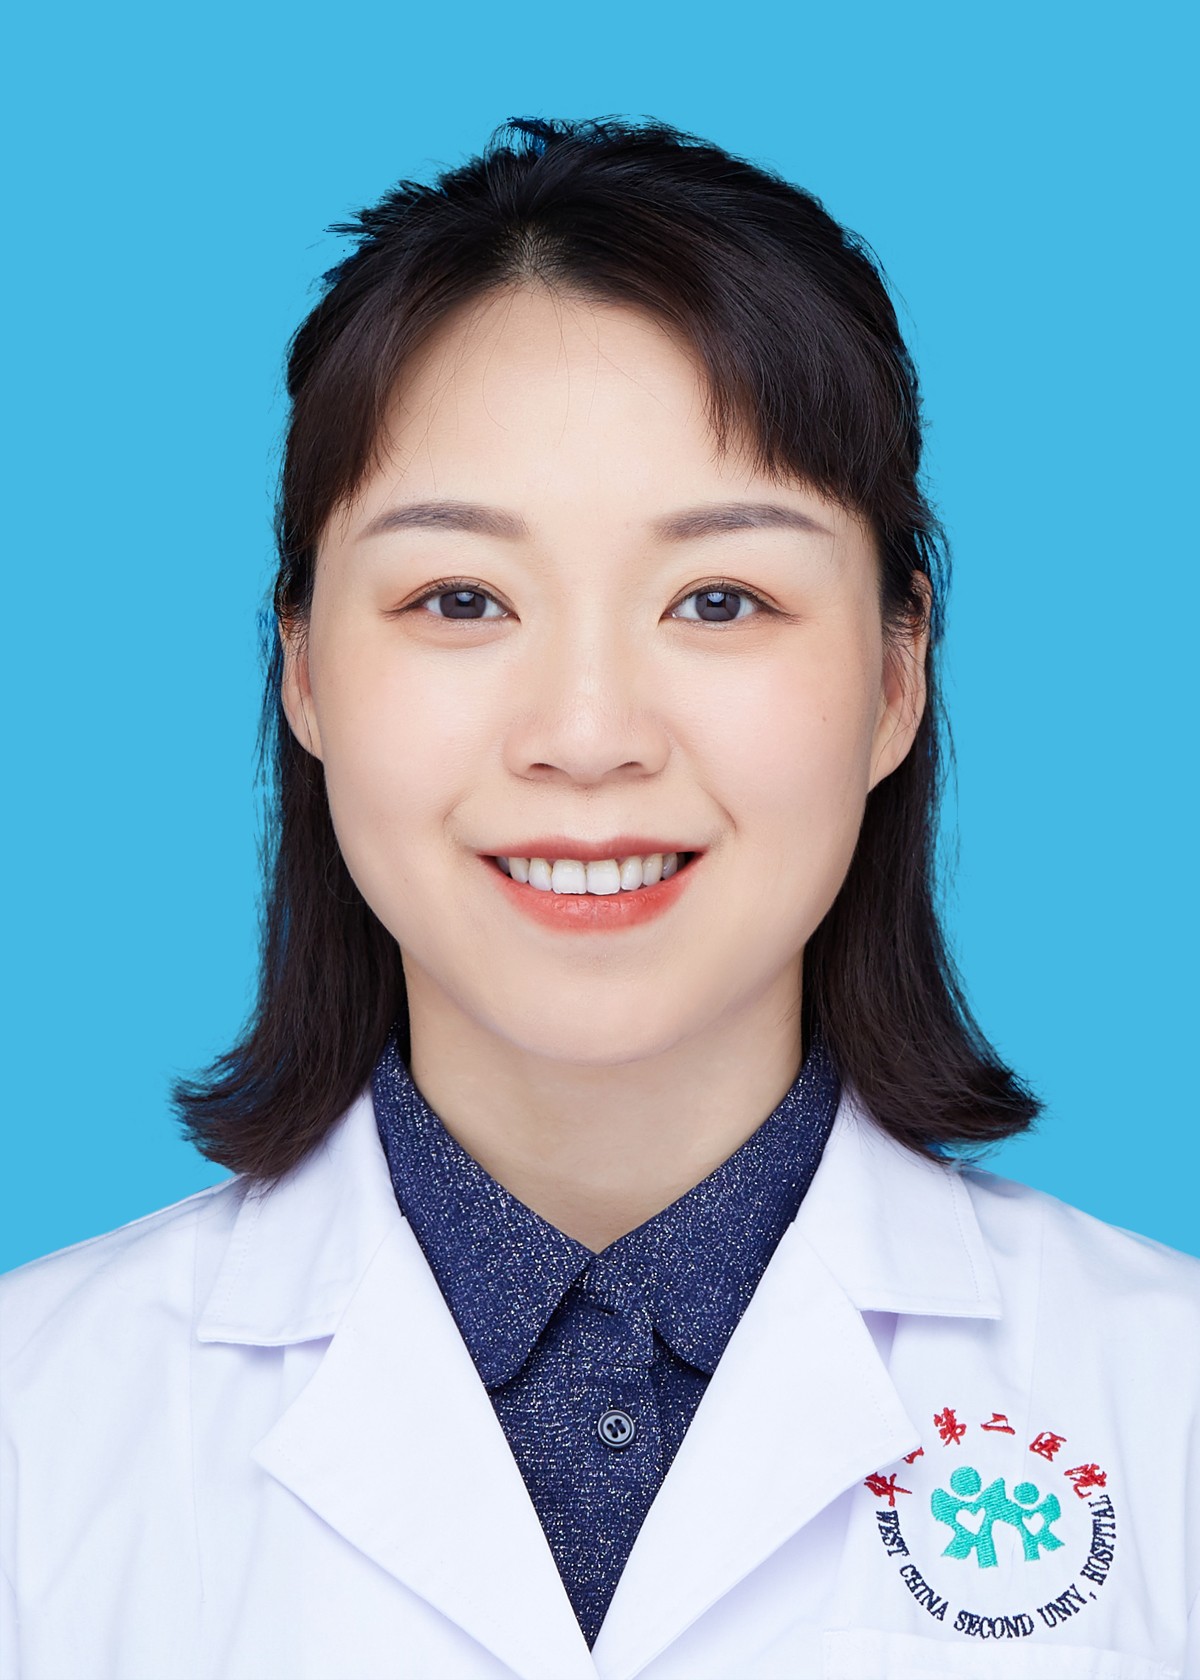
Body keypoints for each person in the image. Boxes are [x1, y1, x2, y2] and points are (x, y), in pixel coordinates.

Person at [1, 115, 1196, 1680]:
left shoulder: (1165, 1406)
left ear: (898, 673)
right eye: (460, 598)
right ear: (302, 668)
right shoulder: (36, 1425)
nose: (585, 735)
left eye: (719, 599)